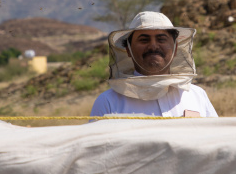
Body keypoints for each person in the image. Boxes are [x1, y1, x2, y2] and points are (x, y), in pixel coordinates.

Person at [90, 11, 218, 118]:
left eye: (161, 39)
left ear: (175, 48)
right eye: (144, 40)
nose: (153, 46)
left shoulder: (197, 95)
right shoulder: (108, 102)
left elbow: (214, 141)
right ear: (128, 49)